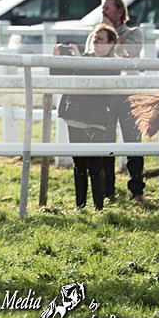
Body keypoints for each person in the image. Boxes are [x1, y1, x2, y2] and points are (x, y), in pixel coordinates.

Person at [53, 24, 119, 211]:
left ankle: (99, 207)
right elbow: (58, 76)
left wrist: (78, 59)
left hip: (97, 118)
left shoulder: (113, 63)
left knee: (96, 163)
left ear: (111, 43)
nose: (96, 41)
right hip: (75, 114)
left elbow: (98, 80)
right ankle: (80, 206)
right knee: (79, 163)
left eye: (101, 38)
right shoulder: (83, 58)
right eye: (95, 37)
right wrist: (57, 59)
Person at [87, 0, 146, 202]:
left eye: (107, 8)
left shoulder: (134, 33)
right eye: (103, 7)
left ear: (120, 11)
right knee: (106, 140)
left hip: (129, 94)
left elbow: (131, 56)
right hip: (105, 95)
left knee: (133, 142)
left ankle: (137, 191)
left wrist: (112, 35)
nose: (103, 11)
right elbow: (91, 59)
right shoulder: (95, 34)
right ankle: (107, 190)